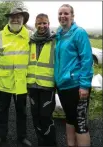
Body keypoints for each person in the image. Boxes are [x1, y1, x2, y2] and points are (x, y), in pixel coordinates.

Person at [0, 7, 32, 146]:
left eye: (18, 17)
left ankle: (22, 137)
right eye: (12, 17)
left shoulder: (30, 36)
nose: (15, 19)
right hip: (4, 81)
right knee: (2, 111)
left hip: (22, 82)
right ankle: (1, 136)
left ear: (23, 20)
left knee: (22, 112)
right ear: (8, 19)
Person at [54, 4, 93, 147]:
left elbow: (87, 60)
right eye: (60, 14)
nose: (62, 16)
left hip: (77, 86)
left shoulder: (79, 33)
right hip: (63, 86)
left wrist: (84, 85)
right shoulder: (59, 34)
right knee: (70, 118)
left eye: (66, 13)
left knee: (80, 123)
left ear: (72, 16)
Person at [27, 13, 57, 146]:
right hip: (32, 85)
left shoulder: (55, 40)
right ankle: (41, 142)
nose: (42, 26)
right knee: (35, 116)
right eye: (39, 23)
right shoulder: (30, 41)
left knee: (46, 117)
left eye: (45, 23)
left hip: (47, 86)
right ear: (35, 25)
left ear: (48, 24)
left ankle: (51, 143)